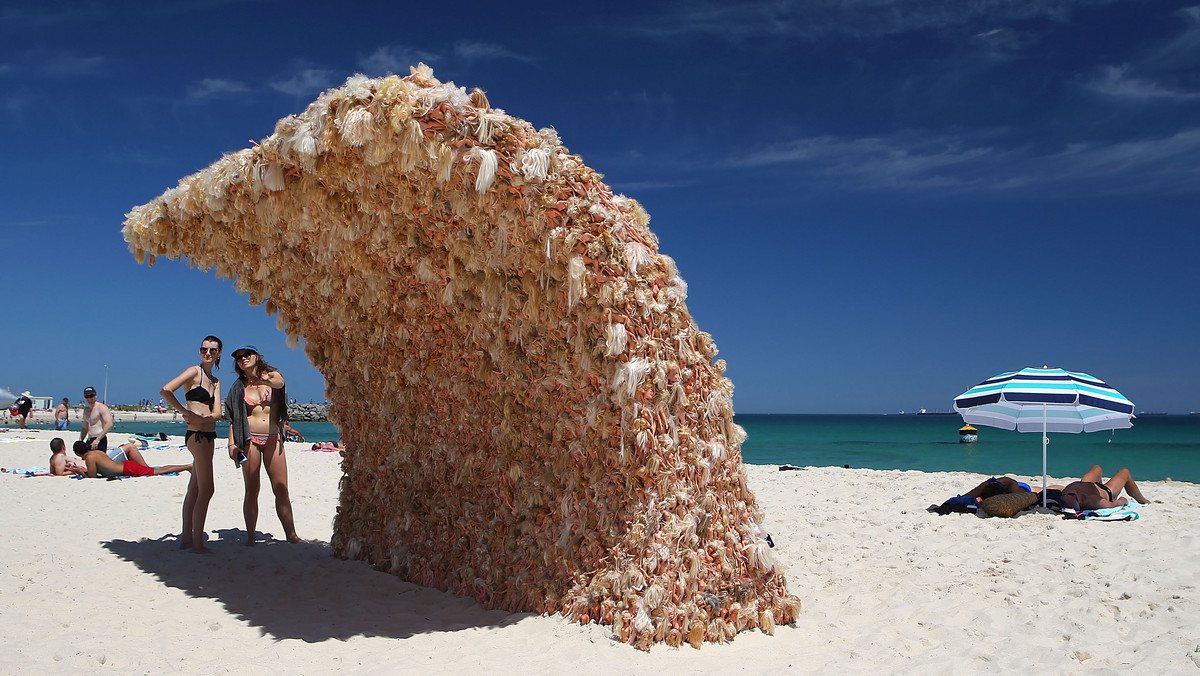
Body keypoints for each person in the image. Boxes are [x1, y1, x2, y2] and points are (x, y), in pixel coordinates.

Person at [225, 345, 300, 545]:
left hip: (273, 438)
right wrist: (232, 445)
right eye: (239, 357)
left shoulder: (272, 375)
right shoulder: (238, 387)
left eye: (246, 355)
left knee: (281, 488)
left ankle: (291, 535)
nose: (243, 359)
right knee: (252, 489)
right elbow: (234, 418)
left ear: (256, 356)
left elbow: (279, 383)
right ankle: (251, 537)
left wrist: (261, 379)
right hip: (251, 440)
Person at [161, 335, 224, 551]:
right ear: (200, 351)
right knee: (208, 489)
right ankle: (198, 543)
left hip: (208, 435)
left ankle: (187, 538)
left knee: (195, 487)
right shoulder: (193, 372)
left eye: (213, 350)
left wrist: (204, 418)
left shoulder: (215, 382)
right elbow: (166, 390)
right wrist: (186, 412)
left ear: (219, 354)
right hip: (196, 436)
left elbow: (217, 413)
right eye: (204, 349)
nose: (208, 353)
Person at [72, 440, 191, 478]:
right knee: (157, 470)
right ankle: (187, 466)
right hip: (126, 466)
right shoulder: (96, 452)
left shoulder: (89, 458)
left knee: (160, 470)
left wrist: (79, 472)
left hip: (128, 469)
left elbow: (92, 477)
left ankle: (187, 466)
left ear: (77, 453)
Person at [1058, 465, 1149, 511]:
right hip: (1107, 491)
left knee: (1097, 468)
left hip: (1088, 484)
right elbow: (1115, 504)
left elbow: (1052, 488)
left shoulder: (1066, 492)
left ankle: (1098, 488)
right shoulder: (1093, 501)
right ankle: (1143, 500)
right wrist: (1123, 500)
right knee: (1125, 472)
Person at [79, 387, 113, 452]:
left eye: (91, 396)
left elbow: (109, 424)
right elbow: (85, 427)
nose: (89, 398)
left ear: (95, 396)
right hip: (89, 439)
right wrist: (81, 440)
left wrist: (98, 439)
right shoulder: (86, 410)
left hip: (99, 439)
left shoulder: (101, 407)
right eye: (87, 396)